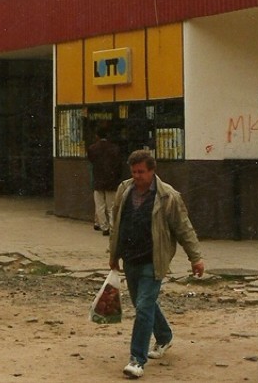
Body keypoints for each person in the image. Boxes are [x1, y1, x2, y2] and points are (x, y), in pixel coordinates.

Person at [109, 150, 205, 379]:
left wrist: (196, 258)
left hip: (154, 260)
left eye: (141, 172)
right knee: (143, 303)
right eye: (134, 171)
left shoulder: (167, 196)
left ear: (152, 171)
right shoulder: (124, 190)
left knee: (143, 307)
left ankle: (137, 360)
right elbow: (117, 223)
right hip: (130, 258)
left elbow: (183, 227)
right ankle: (164, 336)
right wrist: (114, 254)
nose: (137, 176)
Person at [87, 129, 122, 236]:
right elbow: (118, 165)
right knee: (111, 206)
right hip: (111, 180)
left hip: (98, 179)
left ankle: (104, 226)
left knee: (100, 205)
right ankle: (112, 227)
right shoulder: (115, 148)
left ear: (97, 136)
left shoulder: (92, 148)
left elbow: (91, 161)